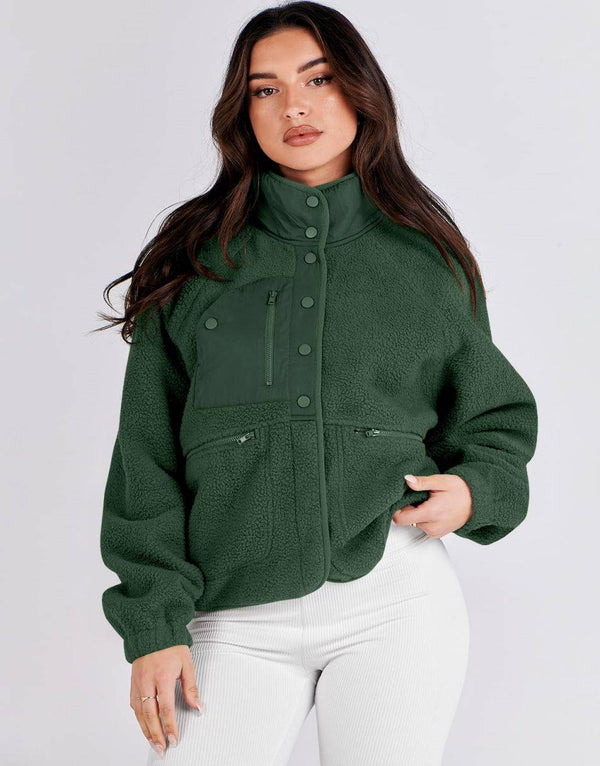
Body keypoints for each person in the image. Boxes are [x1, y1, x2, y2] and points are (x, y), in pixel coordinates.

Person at [97, 2, 538, 763]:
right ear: (243, 114)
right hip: (228, 615)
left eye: (318, 79)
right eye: (265, 90)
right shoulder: (195, 260)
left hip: (395, 602)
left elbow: (492, 417)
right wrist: (153, 625)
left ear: (360, 91)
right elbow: (147, 458)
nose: (293, 107)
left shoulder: (428, 258)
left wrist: (475, 490)